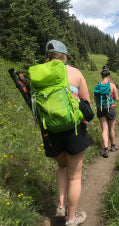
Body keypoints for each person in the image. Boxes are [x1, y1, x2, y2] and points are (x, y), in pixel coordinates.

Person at [43, 40, 89, 225]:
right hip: (74, 130)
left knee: (61, 167)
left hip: (50, 131)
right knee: (75, 175)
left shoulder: (38, 74)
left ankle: (61, 206)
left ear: (47, 56)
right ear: (65, 56)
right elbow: (86, 103)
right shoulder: (75, 73)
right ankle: (71, 219)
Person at [94, 66, 119, 158]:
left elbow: (95, 100)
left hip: (100, 109)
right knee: (111, 128)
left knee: (104, 130)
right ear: (108, 75)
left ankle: (105, 148)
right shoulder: (112, 85)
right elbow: (117, 99)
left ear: (102, 75)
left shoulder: (97, 86)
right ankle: (113, 146)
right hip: (110, 108)